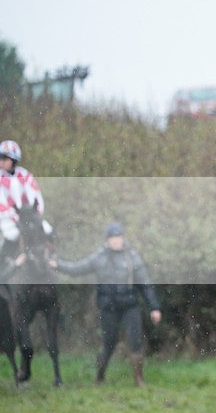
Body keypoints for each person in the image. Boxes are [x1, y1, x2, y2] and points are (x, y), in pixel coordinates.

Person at [51, 223, 162, 386]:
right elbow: (77, 269)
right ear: (108, 240)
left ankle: (139, 379)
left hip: (130, 305)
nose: (116, 241)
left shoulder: (133, 257)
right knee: (109, 342)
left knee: (135, 341)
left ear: (123, 238)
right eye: (113, 238)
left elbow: (145, 284)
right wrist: (58, 265)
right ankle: (100, 376)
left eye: (119, 238)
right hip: (109, 307)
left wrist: (154, 307)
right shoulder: (99, 257)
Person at [0, 140, 53, 253]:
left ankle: (54, 261)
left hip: (28, 218)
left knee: (48, 231)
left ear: (13, 159)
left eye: (4, 158)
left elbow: (37, 198)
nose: (1, 161)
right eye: (0, 157)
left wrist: (34, 216)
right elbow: (1, 204)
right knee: (11, 236)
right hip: (8, 220)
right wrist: (16, 217)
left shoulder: (26, 175)